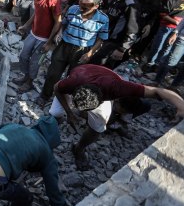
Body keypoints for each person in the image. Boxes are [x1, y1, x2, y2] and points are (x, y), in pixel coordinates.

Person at [50, 64, 184, 170]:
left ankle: (79, 148)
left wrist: (180, 104)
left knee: (98, 127)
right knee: (55, 114)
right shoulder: (73, 82)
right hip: (83, 75)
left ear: (103, 100)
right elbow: (57, 88)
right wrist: (69, 113)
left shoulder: (118, 87)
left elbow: (156, 91)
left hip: (101, 81)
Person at [39, 0, 109, 104]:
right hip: (64, 46)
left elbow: (101, 39)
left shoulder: (103, 19)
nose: (81, 9)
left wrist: (90, 53)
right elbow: (64, 23)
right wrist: (59, 33)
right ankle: (45, 96)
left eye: (85, 8)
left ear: (96, 6)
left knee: (73, 77)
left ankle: (61, 101)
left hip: (82, 50)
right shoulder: (73, 9)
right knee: (53, 73)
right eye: (81, 5)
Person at [15, 0, 62, 91]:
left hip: (44, 39)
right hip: (33, 33)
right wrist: (26, 26)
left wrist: (49, 43)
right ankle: (26, 76)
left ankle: (30, 81)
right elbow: (37, 13)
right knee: (23, 56)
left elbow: (58, 22)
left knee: (35, 62)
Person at [89, 0, 140, 68]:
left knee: (97, 69)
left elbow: (133, 30)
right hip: (102, 38)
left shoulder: (131, 5)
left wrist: (121, 49)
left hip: (113, 44)